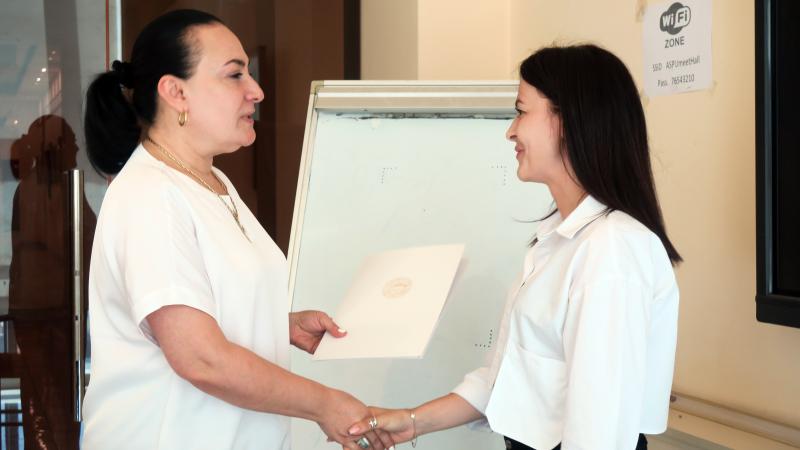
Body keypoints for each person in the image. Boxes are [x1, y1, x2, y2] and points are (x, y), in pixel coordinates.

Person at [81, 9, 391, 450]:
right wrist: (326, 404)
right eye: (234, 75)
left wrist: (274, 324)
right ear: (175, 92)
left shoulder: (211, 181)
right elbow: (200, 358)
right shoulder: (151, 194)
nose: (256, 91)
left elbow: (196, 306)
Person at [348, 44, 682, 450]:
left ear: (568, 121)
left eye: (521, 112)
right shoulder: (560, 239)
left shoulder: (611, 249)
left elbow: (599, 430)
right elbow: (507, 376)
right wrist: (412, 421)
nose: (510, 130)